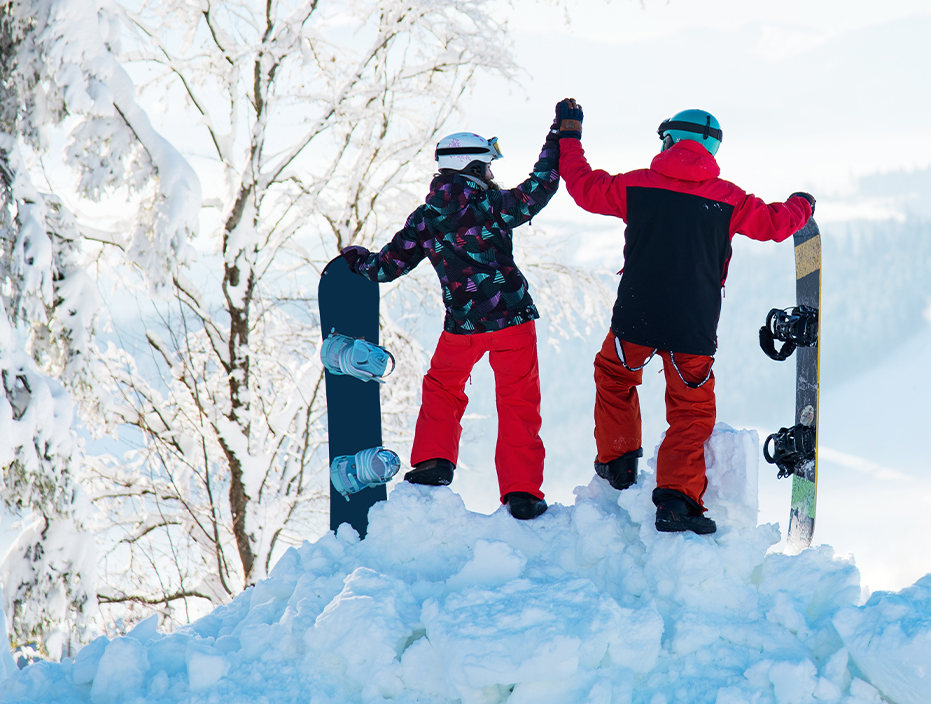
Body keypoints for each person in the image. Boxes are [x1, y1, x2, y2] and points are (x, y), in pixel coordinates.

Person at [553, 101, 815, 534]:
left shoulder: (635, 186)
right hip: (693, 324)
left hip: (636, 313)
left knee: (615, 377)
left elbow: (581, 186)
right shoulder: (729, 198)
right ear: (711, 148)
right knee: (691, 412)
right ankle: (676, 501)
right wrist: (802, 203)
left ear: (669, 139)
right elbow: (776, 224)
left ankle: (618, 461)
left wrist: (570, 136)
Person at [337, 121, 566, 521]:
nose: (493, 176)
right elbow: (541, 186)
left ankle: (433, 463)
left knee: (443, 388)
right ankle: (522, 493)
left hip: (463, 325)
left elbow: (387, 268)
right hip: (512, 320)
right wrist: (556, 138)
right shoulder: (493, 205)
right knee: (518, 402)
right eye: (488, 168)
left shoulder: (426, 217)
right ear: (474, 169)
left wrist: (356, 260)